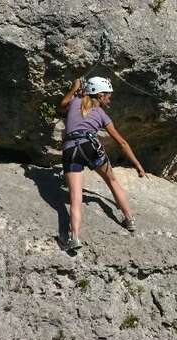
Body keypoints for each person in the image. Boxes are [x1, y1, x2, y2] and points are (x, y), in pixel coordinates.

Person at [59, 76, 145, 249]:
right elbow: (122, 142)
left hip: (70, 149)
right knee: (112, 181)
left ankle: (74, 237)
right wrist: (137, 164)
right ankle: (129, 220)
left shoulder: (75, 102)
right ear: (99, 95)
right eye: (107, 95)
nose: (110, 98)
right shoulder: (101, 114)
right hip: (90, 147)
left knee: (75, 196)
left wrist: (74, 87)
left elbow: (63, 103)